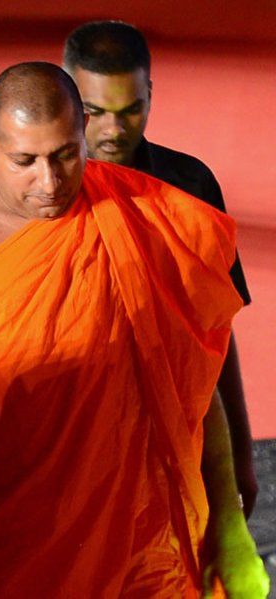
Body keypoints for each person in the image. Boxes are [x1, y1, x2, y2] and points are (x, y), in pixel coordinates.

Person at [0, 63, 269, 597]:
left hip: (141, 536)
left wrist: (230, 529)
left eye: (67, 154)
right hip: (2, 537)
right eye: (24, 161)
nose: (49, 182)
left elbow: (192, 380)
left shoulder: (143, 214)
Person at [63, 20, 257, 516]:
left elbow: (215, 329)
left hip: (182, 424)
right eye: (93, 112)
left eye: (132, 109)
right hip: (72, 439)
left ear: (150, 93)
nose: (113, 130)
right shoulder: (43, 191)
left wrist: (239, 448)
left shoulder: (189, 185)